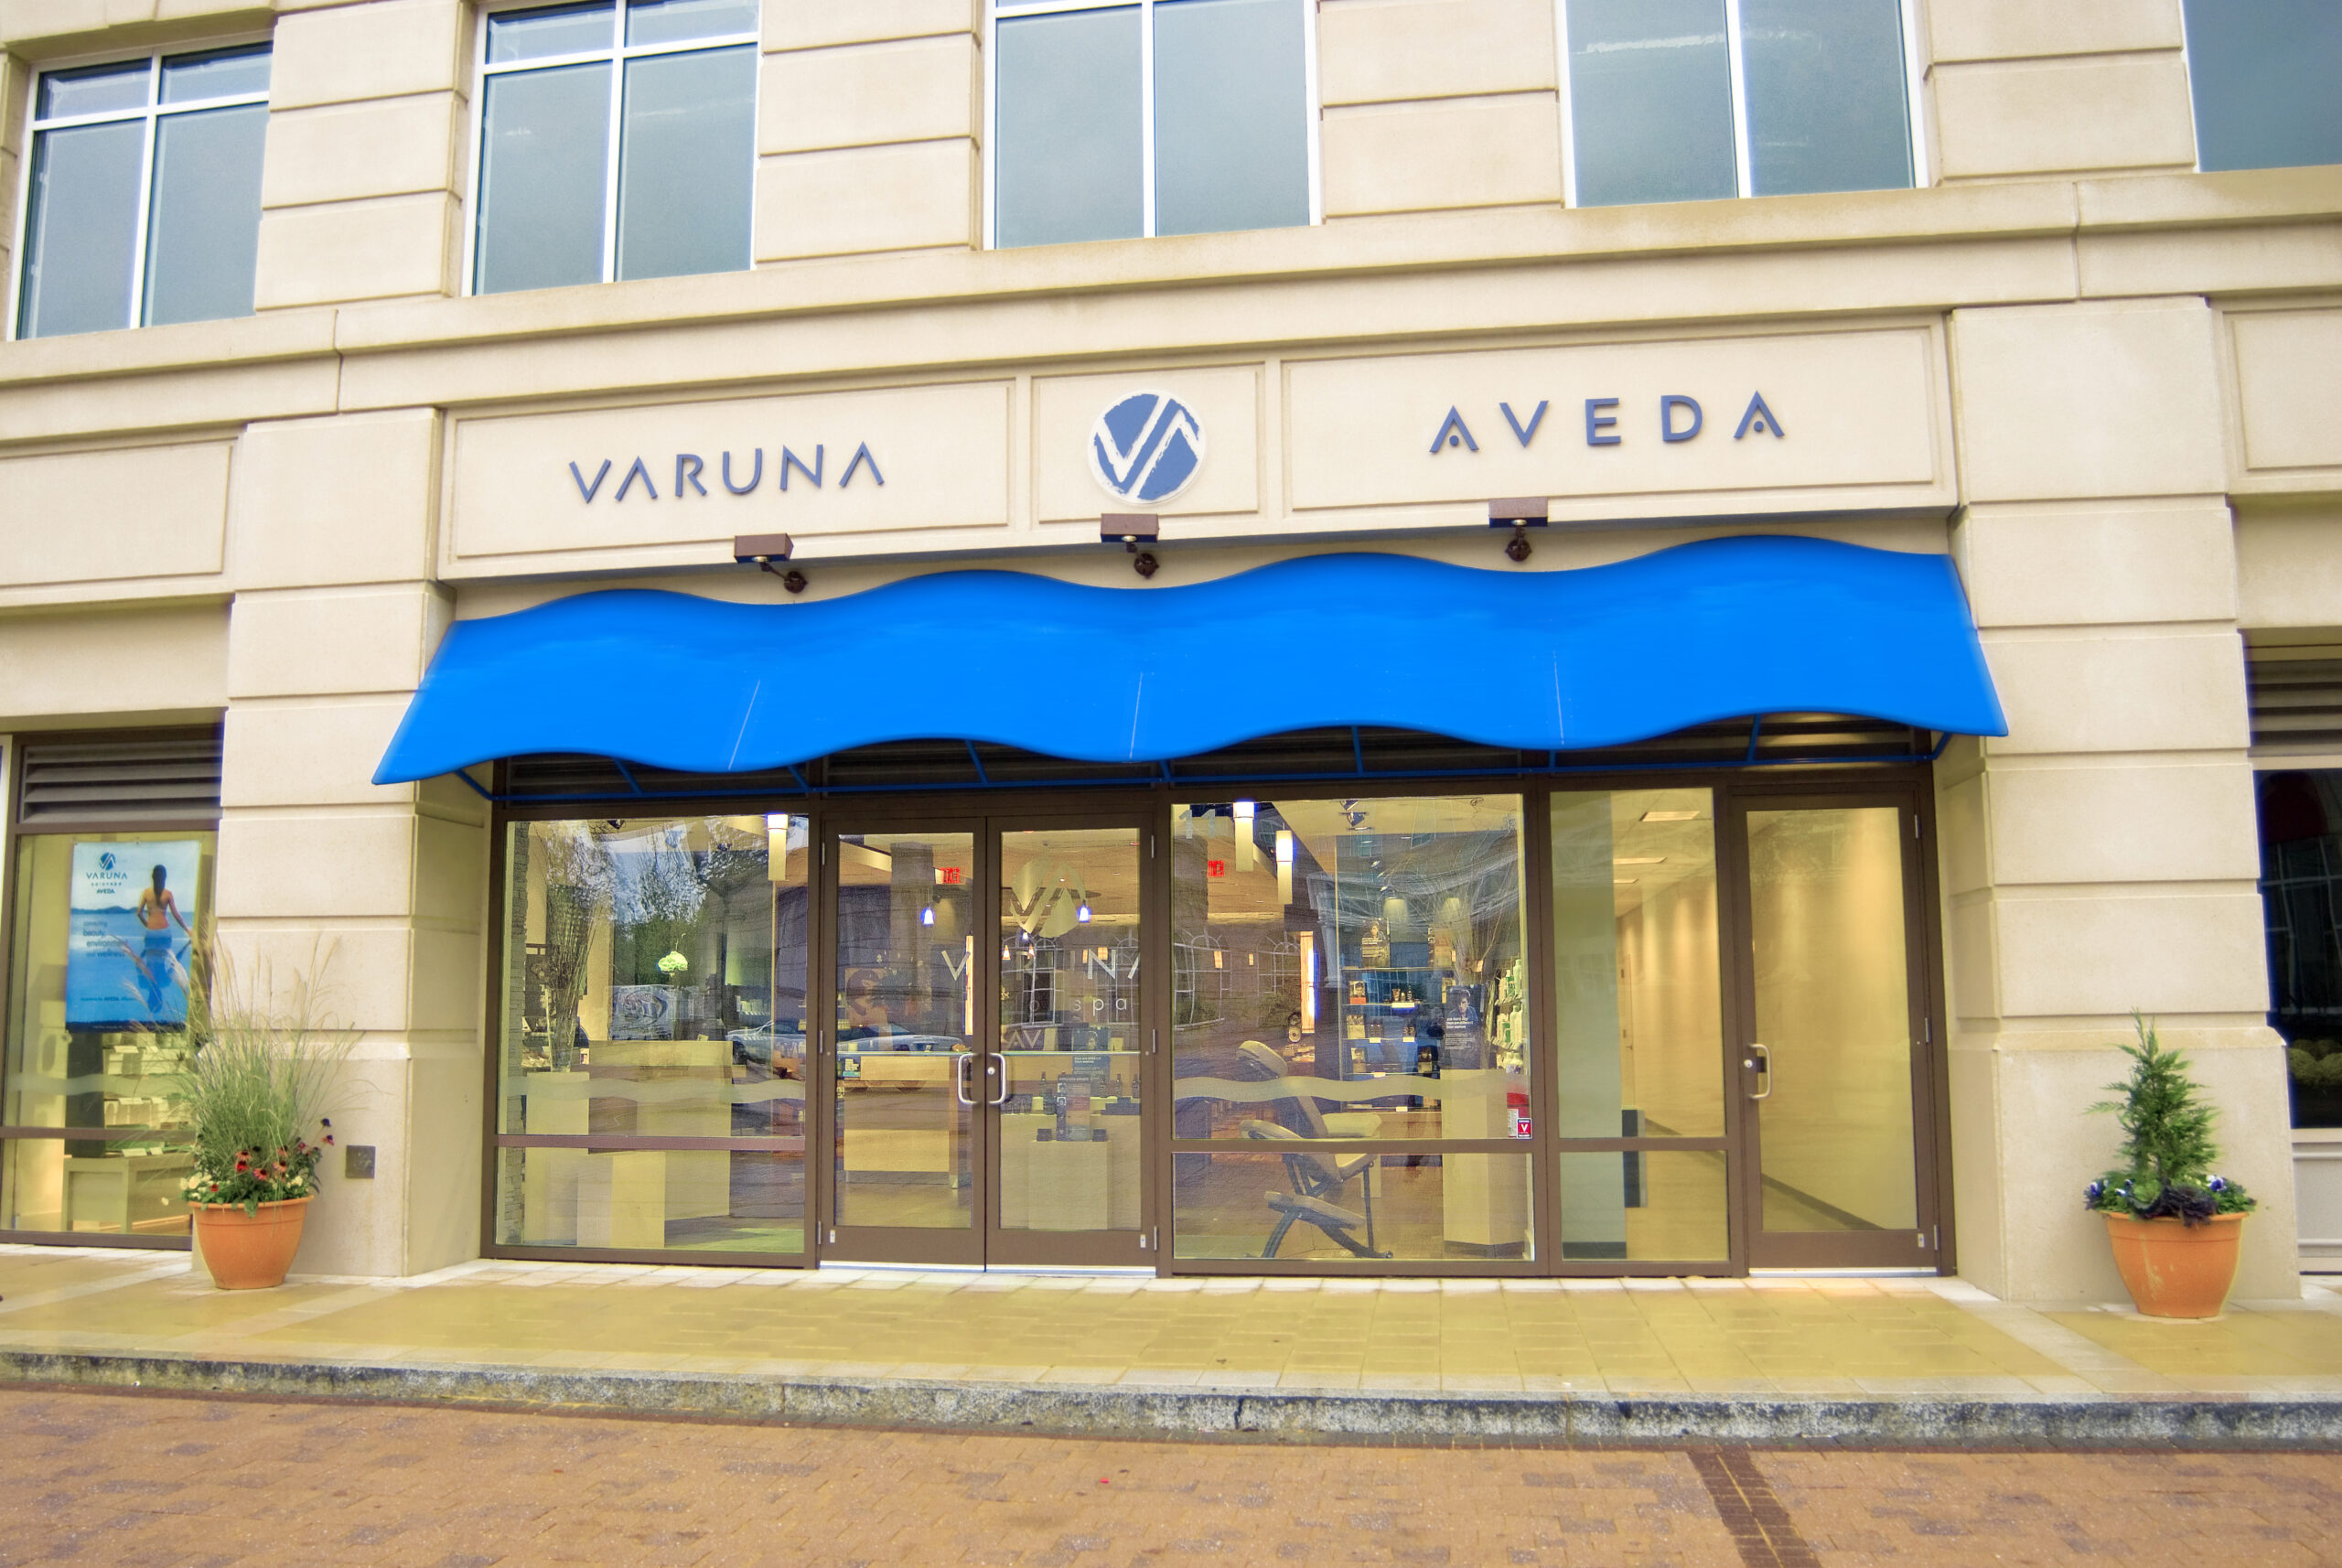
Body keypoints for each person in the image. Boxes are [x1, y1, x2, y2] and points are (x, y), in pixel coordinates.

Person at [132, 863, 189, 1017]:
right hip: (164, 933)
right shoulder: (168, 894)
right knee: (165, 955)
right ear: (164, 878)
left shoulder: (146, 893)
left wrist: (148, 926)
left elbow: (139, 913)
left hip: (150, 933)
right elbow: (173, 961)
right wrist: (187, 931)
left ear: (152, 877)